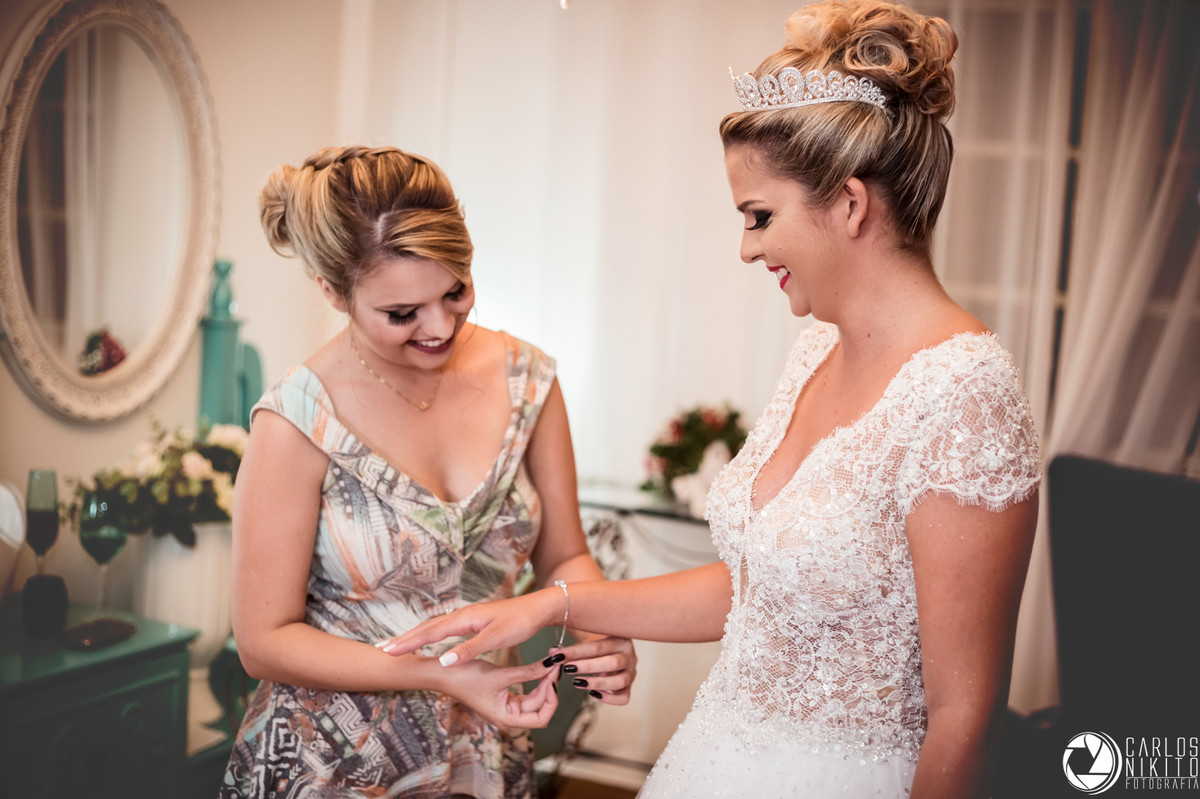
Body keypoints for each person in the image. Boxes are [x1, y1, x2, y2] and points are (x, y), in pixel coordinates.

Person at [377, 2, 1041, 797]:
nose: (747, 246)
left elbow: (964, 716)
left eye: (759, 216)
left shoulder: (963, 391)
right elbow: (762, 582)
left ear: (851, 204)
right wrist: (546, 607)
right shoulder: (816, 352)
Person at [220, 145, 636, 799]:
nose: (440, 326)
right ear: (333, 291)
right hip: (331, 762)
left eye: (455, 290)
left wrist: (601, 629)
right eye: (402, 313)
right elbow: (264, 640)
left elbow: (566, 555)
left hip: (483, 750)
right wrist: (439, 674)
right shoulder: (297, 419)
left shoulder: (528, 380)